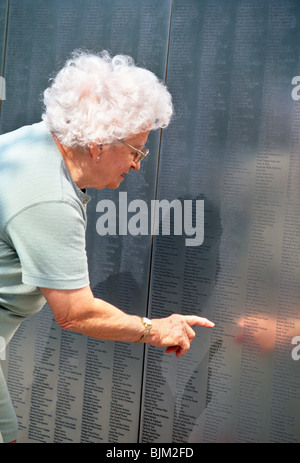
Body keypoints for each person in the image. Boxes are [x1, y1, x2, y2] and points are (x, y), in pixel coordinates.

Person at [0, 50, 214, 443]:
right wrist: (154, 329)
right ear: (98, 145)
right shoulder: (50, 198)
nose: (136, 165)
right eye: (135, 151)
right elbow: (76, 313)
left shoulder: (34, 142)